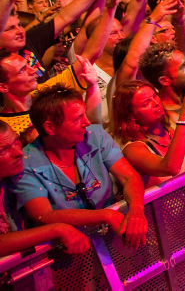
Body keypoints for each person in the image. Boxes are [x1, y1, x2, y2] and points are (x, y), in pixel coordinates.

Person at [12, 86, 149, 249]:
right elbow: (44, 214)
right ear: (50, 127)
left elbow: (129, 177)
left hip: (114, 238)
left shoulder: (95, 136)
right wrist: (105, 215)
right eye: (77, 119)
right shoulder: (26, 162)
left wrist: (136, 210)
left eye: (84, 114)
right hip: (66, 252)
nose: (87, 122)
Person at [0, 120, 91, 256]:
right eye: (3, 150)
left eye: (16, 141)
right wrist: (56, 229)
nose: (18, 152)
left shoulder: (15, 175)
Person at [110, 81, 185, 187]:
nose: (156, 103)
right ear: (130, 115)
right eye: (146, 103)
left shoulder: (172, 121)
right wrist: (184, 116)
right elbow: (171, 168)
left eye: (154, 96)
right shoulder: (133, 149)